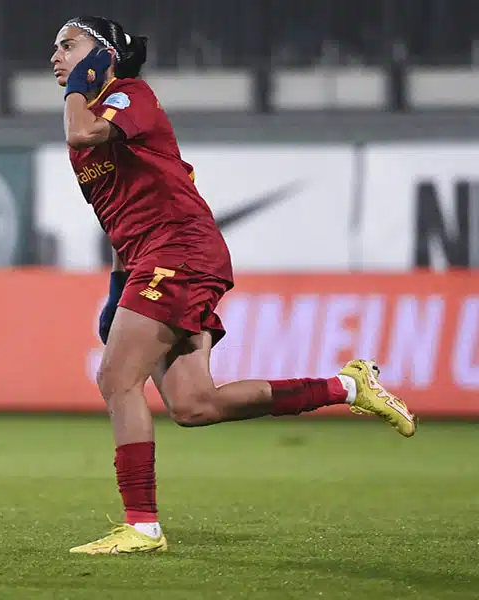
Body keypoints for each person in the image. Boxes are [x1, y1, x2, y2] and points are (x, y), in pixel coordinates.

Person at [52, 16, 416, 556]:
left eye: (69, 45)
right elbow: (121, 216)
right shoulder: (86, 121)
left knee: (115, 378)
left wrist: (89, 77)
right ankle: (348, 387)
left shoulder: (130, 95)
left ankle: (143, 527)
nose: (56, 56)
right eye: (54, 49)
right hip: (152, 257)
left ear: (103, 53)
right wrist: (116, 285)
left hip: (179, 252)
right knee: (195, 405)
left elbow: (83, 129)